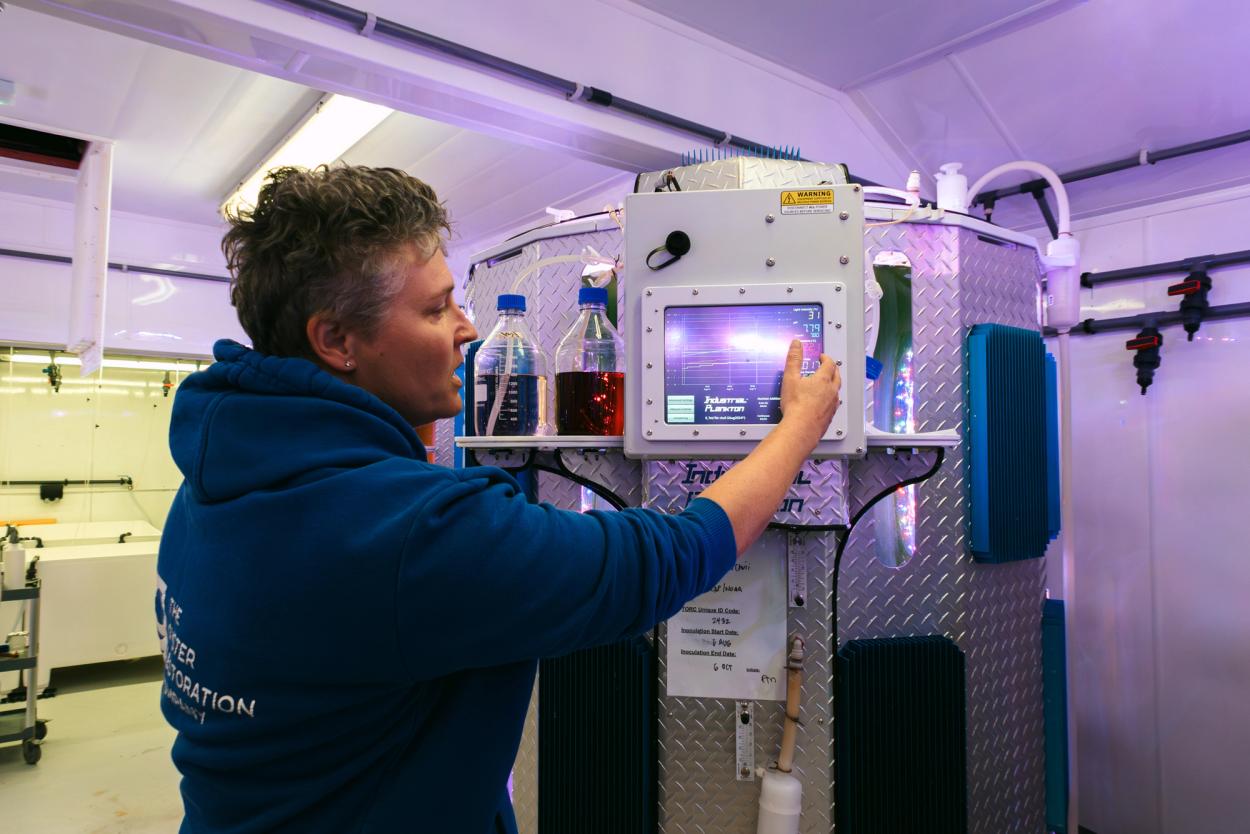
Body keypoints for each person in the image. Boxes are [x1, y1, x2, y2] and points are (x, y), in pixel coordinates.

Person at [155, 164, 841, 833]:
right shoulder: (411, 531)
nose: (466, 328)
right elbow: (669, 556)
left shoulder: (216, 486)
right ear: (336, 339)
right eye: (434, 309)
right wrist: (799, 428)